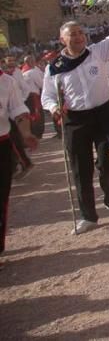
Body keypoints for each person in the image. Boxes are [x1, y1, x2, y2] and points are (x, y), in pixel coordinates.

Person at [40, 0, 109, 234]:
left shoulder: (97, 52)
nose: (79, 37)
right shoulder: (55, 68)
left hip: (102, 115)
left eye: (81, 33)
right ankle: (88, 216)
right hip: (75, 121)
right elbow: (47, 96)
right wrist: (53, 107)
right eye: (73, 34)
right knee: (81, 169)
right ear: (63, 40)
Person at [1, 67, 30, 261]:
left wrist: (26, 133)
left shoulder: (6, 81)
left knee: (1, 197)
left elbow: (18, 109)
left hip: (1, 144)